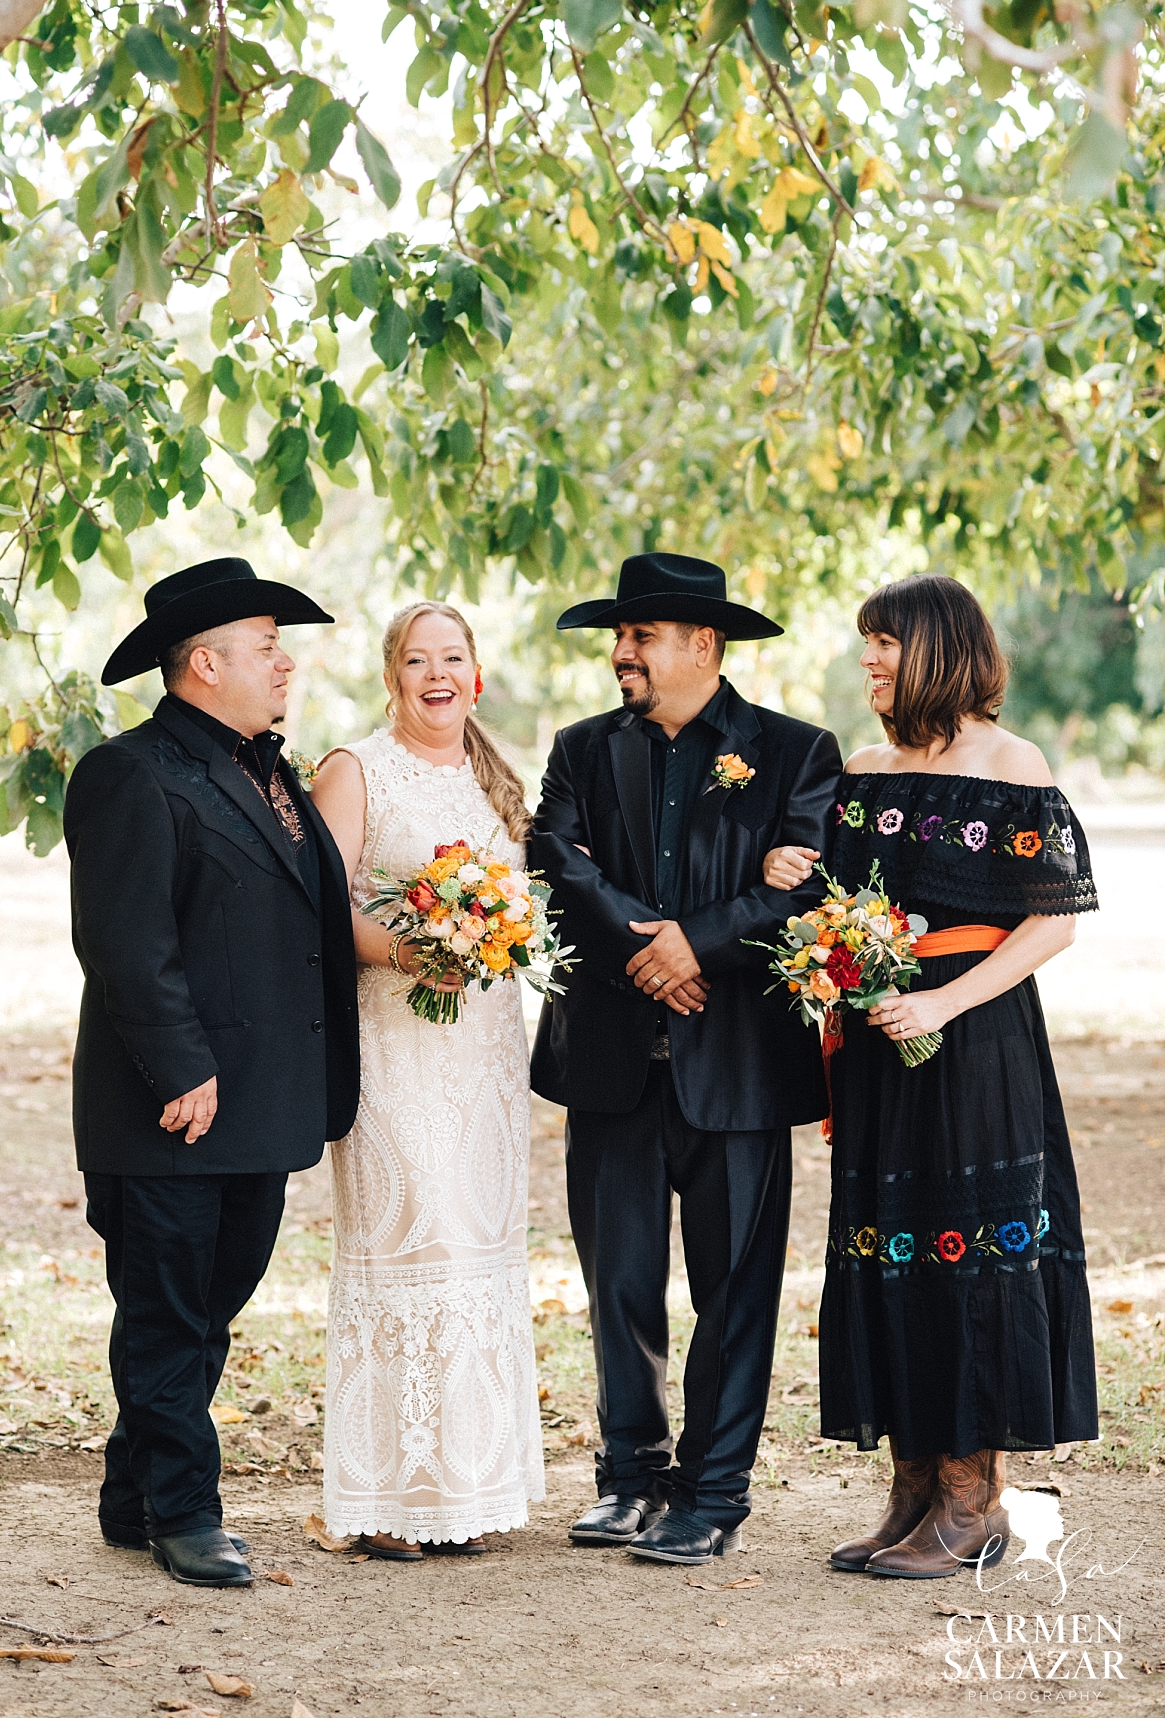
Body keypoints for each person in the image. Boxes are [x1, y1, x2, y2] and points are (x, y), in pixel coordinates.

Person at [764, 573, 1099, 1579]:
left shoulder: (1012, 762)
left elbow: (1056, 917)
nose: (868, 660)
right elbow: (842, 905)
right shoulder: (864, 768)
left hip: (977, 1046)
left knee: (971, 1261)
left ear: (940, 649)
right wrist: (806, 903)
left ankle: (972, 1500)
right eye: (865, 644)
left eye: (885, 644)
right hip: (877, 1053)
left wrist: (946, 1003)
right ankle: (912, 1494)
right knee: (891, 1252)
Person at [531, 551, 842, 1566]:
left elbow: (803, 891)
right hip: (612, 1056)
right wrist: (648, 947)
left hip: (741, 1067)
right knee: (617, 1280)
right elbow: (556, 861)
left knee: (734, 1289)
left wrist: (695, 943)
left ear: (702, 645)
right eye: (621, 637)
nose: (621, 652)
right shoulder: (582, 750)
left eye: (640, 636)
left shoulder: (796, 753)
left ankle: (711, 1493)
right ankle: (628, 1477)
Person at [64, 557, 360, 1588]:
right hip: (169, 1103)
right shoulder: (130, 772)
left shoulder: (268, 770)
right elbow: (123, 939)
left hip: (266, 1103)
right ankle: (185, 1510)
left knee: (209, 1304)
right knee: (167, 1309)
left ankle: (131, 1486)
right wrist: (180, 1065)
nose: (285, 663)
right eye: (266, 646)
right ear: (204, 663)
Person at [311, 602, 544, 1559]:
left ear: (475, 672)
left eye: (452, 657)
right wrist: (416, 952)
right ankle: (389, 1499)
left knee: (475, 1252)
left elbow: (523, 905)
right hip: (393, 1045)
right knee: (414, 1239)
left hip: (483, 1048)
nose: (435, 674)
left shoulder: (500, 776)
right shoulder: (355, 769)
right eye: (418, 659)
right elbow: (322, 911)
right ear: (392, 675)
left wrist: (494, 937)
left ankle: (468, 1490)